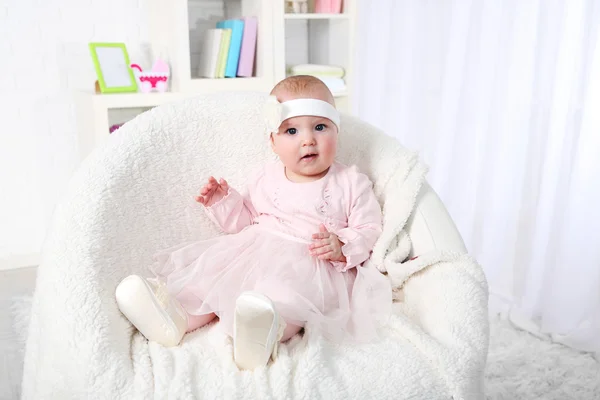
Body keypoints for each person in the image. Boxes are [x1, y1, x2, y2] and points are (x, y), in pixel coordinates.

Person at [115, 75, 392, 370]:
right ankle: (175, 317)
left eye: (320, 127)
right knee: (212, 273)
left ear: (337, 133)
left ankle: (260, 337)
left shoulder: (350, 182)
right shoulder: (265, 177)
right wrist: (223, 201)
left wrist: (341, 246)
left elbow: (369, 228)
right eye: (292, 131)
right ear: (273, 141)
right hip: (256, 249)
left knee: (283, 297)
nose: (308, 139)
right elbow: (245, 223)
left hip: (310, 264)